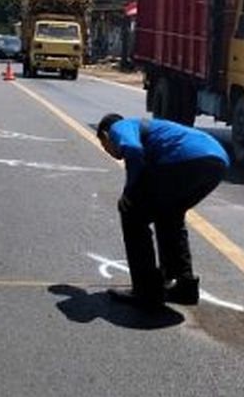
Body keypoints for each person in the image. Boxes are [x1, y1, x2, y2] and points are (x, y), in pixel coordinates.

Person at [95, 113, 229, 306]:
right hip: (217, 161)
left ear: (106, 136)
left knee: (131, 214)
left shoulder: (119, 127)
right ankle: (184, 287)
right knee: (170, 215)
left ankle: (145, 291)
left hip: (185, 158)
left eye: (104, 146)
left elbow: (132, 150)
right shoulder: (150, 129)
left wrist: (128, 192)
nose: (108, 151)